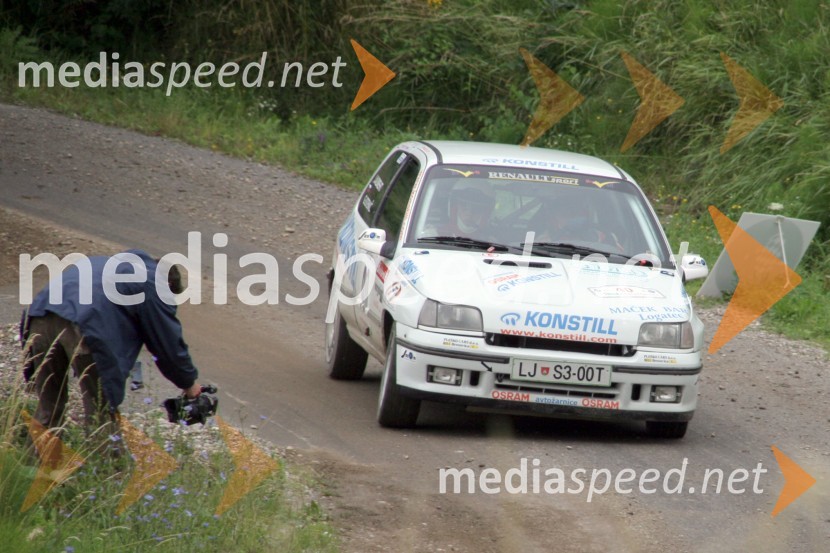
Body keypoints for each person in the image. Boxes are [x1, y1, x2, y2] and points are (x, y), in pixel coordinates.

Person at [20, 249, 202, 444]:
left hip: (38, 317)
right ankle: (110, 473)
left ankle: (35, 470)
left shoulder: (109, 265)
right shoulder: (153, 283)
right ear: (169, 284)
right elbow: (167, 344)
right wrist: (189, 384)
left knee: (48, 406)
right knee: (100, 414)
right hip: (83, 326)